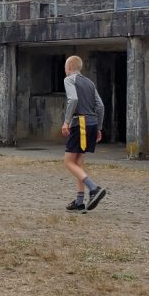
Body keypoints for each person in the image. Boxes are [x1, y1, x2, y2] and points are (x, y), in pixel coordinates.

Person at [60, 56, 108, 213]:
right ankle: (80, 202)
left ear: (69, 67)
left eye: (65, 67)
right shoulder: (90, 82)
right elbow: (100, 106)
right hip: (92, 124)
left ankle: (94, 189)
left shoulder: (69, 80)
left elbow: (72, 99)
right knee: (78, 162)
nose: (65, 70)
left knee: (68, 162)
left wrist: (66, 121)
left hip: (80, 123)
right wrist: (99, 127)